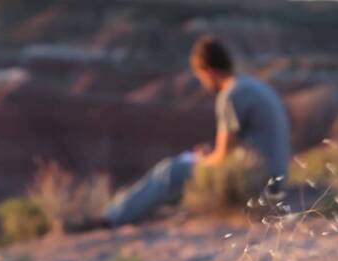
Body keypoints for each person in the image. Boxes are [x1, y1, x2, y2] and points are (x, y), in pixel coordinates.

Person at [99, 35, 291, 227]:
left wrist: (202, 159)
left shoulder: (231, 95)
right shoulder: (252, 85)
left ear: (207, 71)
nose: (202, 83)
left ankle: (111, 218)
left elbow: (221, 156)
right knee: (184, 170)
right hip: (274, 183)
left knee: (170, 171)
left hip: (255, 185)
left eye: (200, 77)